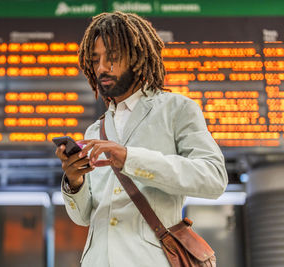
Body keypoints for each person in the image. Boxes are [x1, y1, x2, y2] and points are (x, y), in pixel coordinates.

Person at [55, 11, 228, 267]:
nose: (102, 68)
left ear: (137, 56)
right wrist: (75, 181)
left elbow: (214, 178)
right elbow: (83, 217)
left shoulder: (177, 110)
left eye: (112, 58)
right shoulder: (95, 131)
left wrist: (130, 159)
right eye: (95, 60)